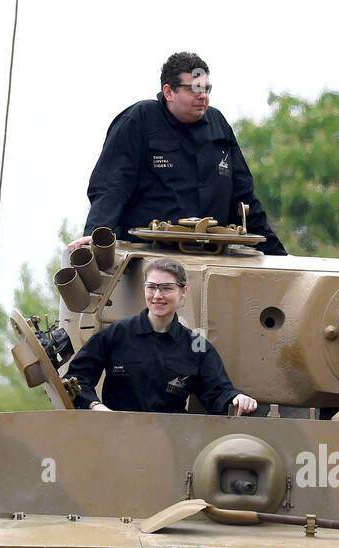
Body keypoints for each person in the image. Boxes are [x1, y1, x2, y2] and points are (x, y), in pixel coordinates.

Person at [76, 52, 286, 255]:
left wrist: (279, 257)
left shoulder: (218, 126)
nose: (202, 96)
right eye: (194, 89)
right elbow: (112, 186)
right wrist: (97, 234)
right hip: (149, 256)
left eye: (206, 89)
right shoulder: (140, 120)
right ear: (169, 92)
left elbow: (244, 198)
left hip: (213, 256)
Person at [68, 256, 258, 415]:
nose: (157, 295)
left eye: (166, 288)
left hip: (172, 443)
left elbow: (218, 392)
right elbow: (78, 377)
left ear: (183, 292)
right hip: (115, 436)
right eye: (152, 287)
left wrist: (236, 398)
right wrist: (96, 406)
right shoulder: (116, 334)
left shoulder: (197, 347)